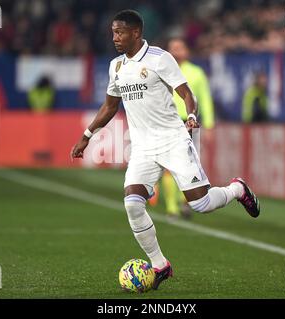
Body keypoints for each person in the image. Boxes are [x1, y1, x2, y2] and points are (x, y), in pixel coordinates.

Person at [71, 10, 260, 290]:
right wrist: (87, 135)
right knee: (132, 205)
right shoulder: (116, 67)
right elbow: (110, 106)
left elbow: (186, 93)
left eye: (120, 32)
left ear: (136, 33)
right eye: (113, 32)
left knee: (201, 204)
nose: (115, 38)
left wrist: (192, 116)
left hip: (173, 139)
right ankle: (160, 265)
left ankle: (237, 189)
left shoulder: (160, 58)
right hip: (143, 148)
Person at [153, 37, 215, 220]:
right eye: (172, 48)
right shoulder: (160, 70)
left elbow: (204, 99)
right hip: (167, 122)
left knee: (188, 166)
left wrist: (210, 125)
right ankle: (172, 208)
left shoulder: (196, 73)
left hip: (189, 123)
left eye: (179, 48)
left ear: (187, 51)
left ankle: (184, 202)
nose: (175, 51)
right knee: (168, 167)